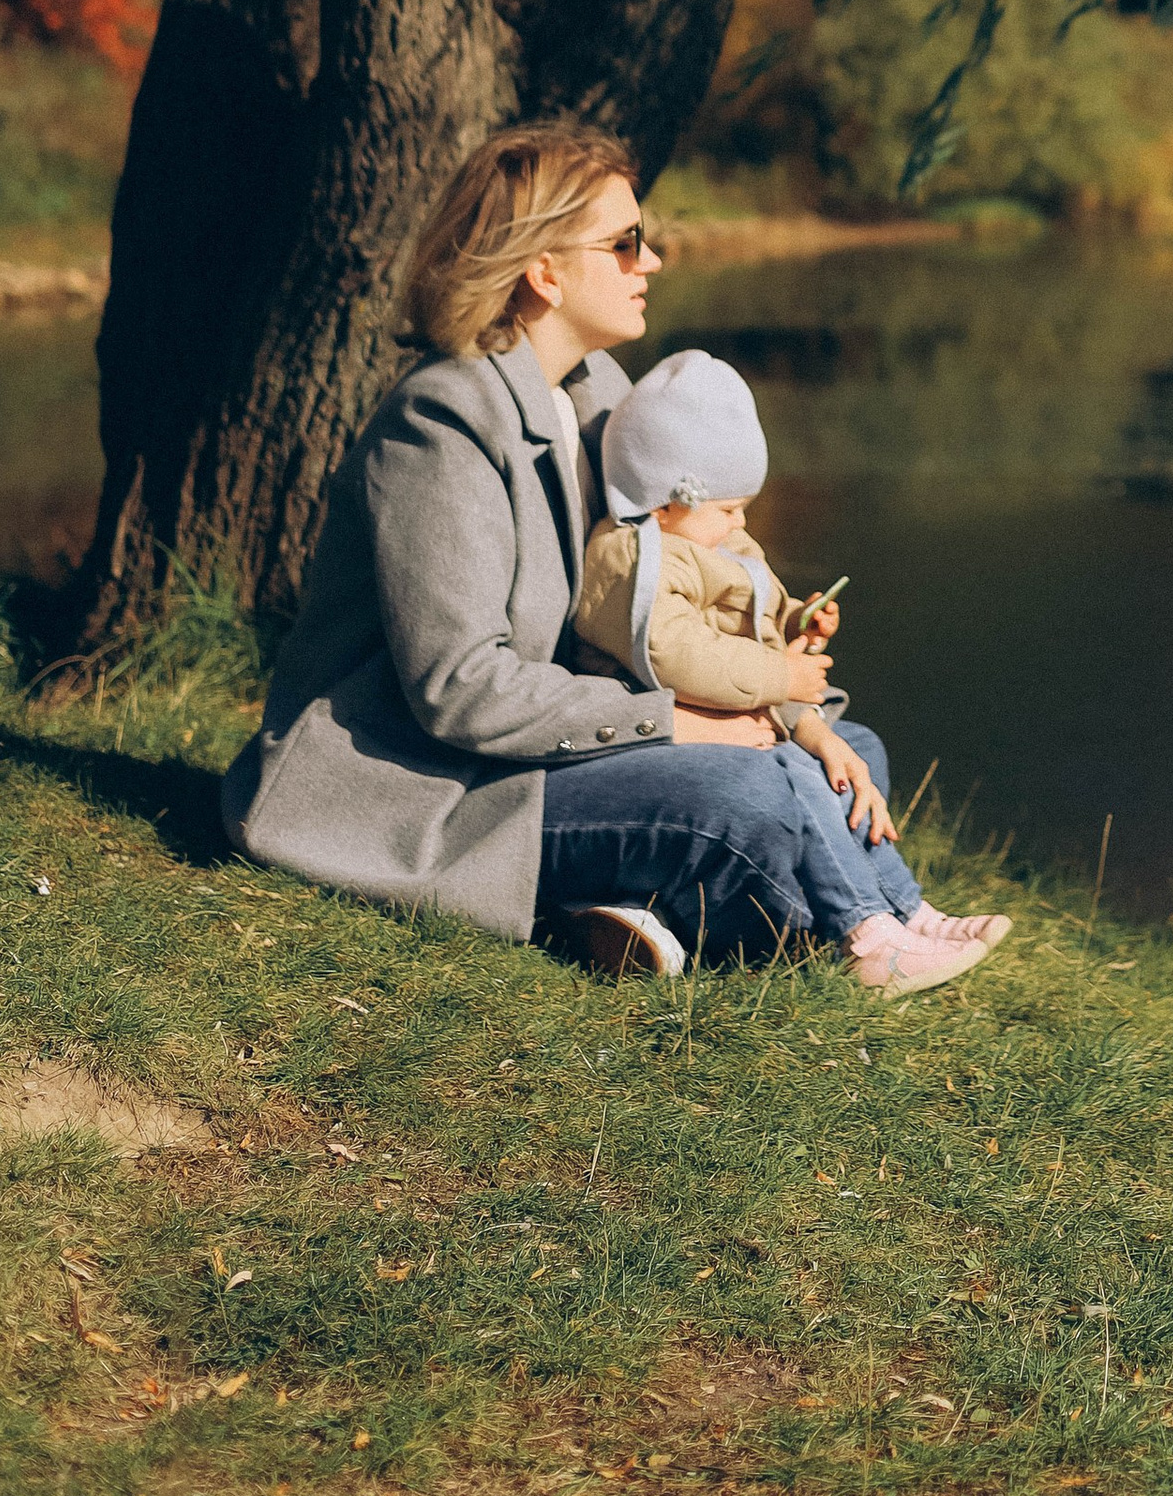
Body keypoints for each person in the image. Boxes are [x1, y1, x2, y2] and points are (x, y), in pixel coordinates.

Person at [220, 122, 1000, 992]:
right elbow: (461, 691)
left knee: (847, 753)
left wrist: (771, 655)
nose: (652, 260)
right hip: (442, 781)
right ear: (543, 271)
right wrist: (684, 722)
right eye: (625, 242)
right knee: (755, 799)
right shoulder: (441, 425)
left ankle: (628, 916)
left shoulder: (598, 397)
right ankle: (775, 922)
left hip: (555, 751)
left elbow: (660, 586)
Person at [574, 344, 1008, 994]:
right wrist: (782, 678)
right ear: (666, 499)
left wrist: (798, 621)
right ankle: (867, 936)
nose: (741, 521)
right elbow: (678, 654)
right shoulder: (633, 557)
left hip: (731, 717)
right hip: (649, 747)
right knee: (789, 770)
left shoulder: (707, 538)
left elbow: (744, 626)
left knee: (854, 748)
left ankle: (904, 909)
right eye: (728, 507)